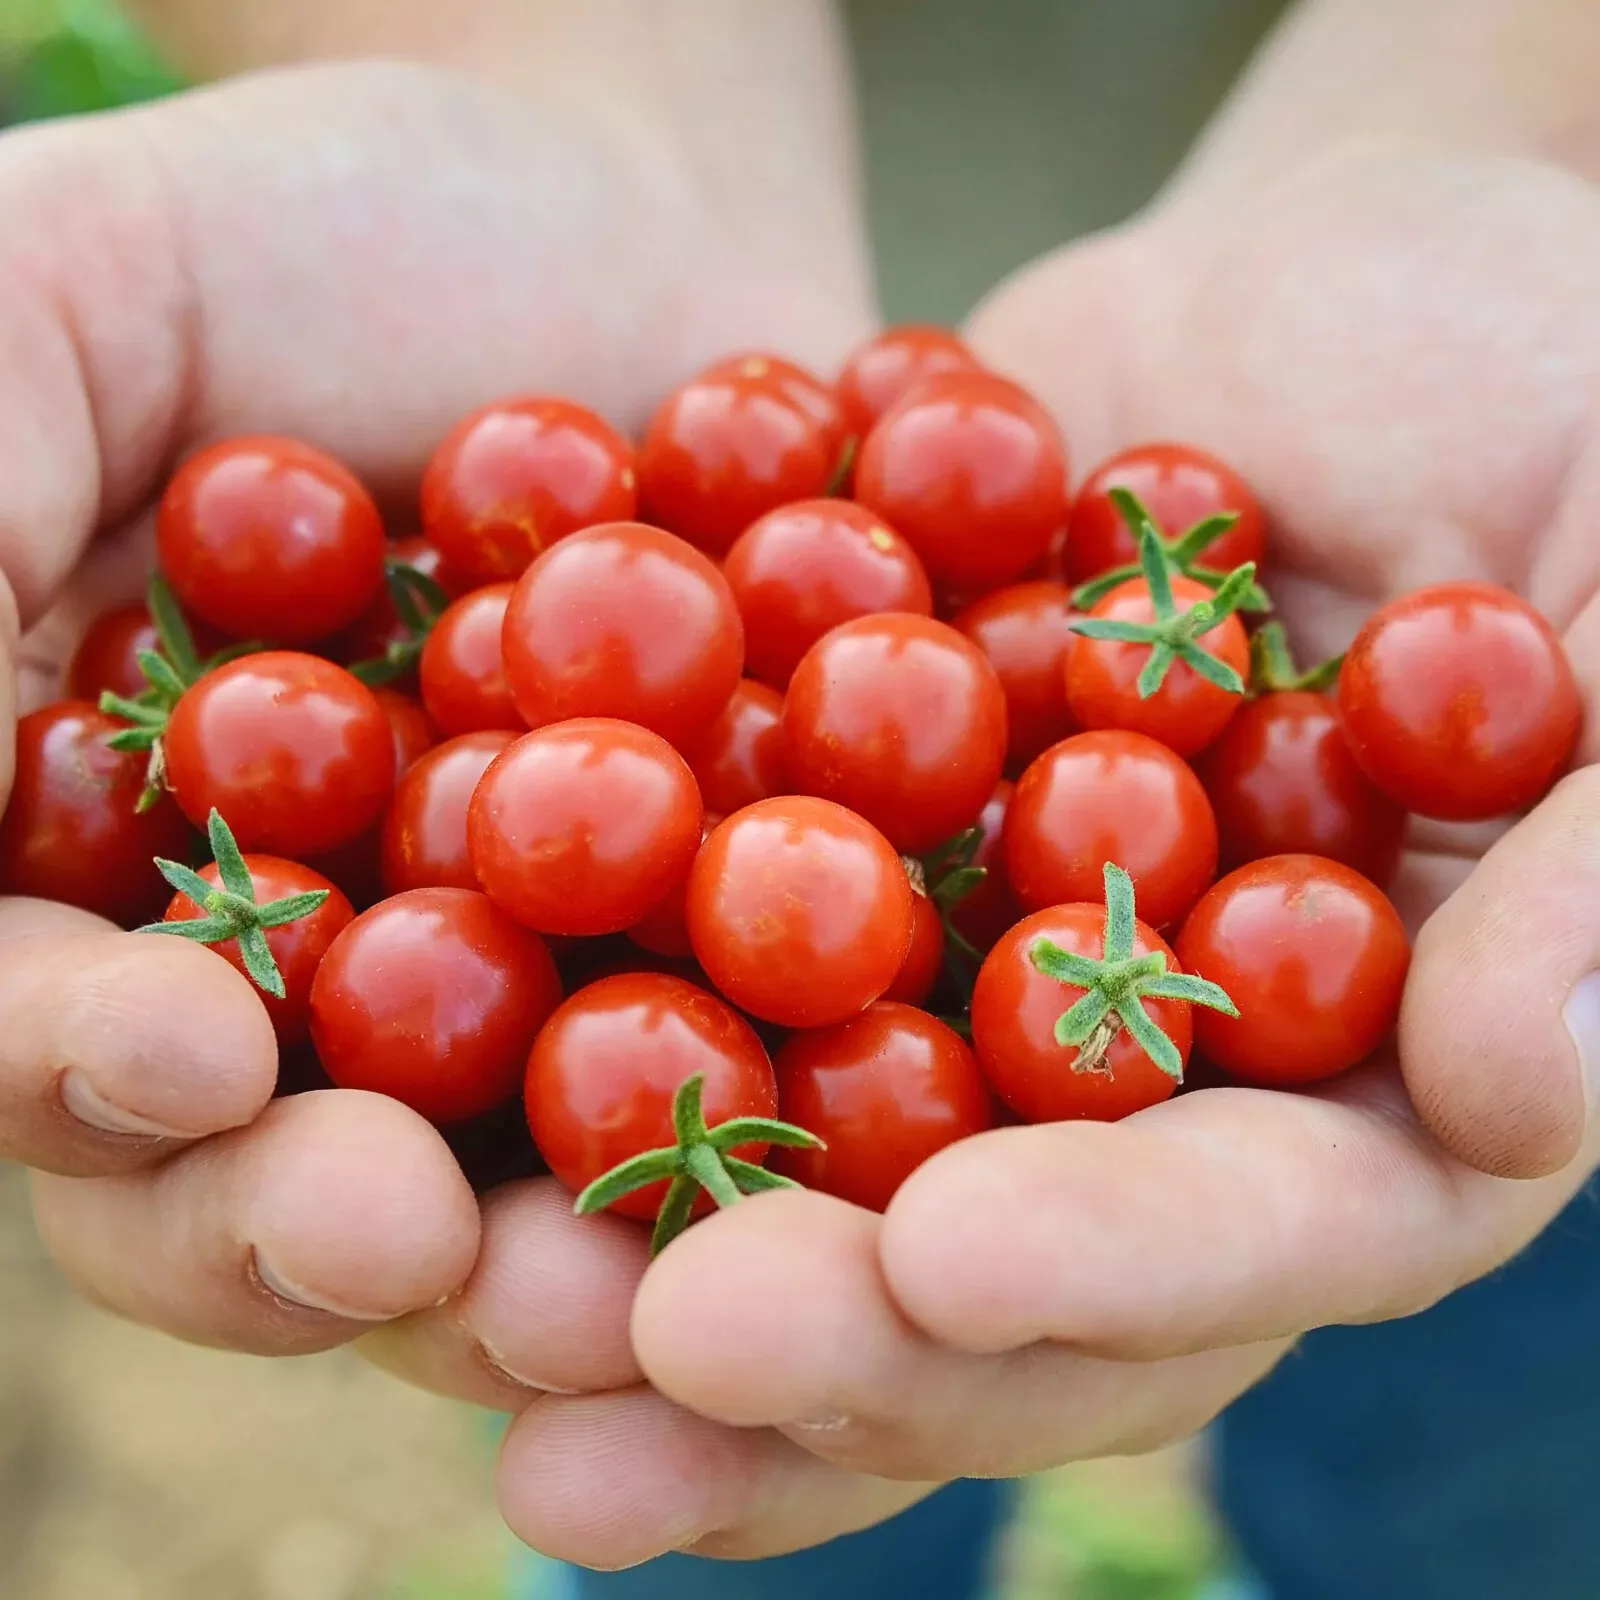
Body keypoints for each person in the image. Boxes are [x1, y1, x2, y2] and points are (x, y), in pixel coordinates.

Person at [4, 2, 1600, 1597]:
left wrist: (1517, 124)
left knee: (1476, 1468)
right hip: (735, 167)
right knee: (736, 1410)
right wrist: (534, 64)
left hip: (1397, 265)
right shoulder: (605, 755)